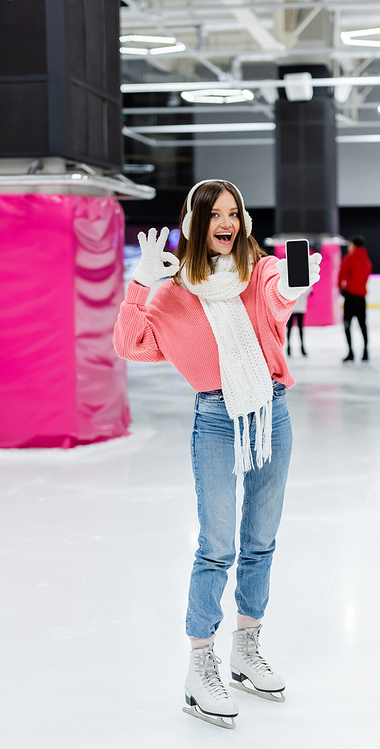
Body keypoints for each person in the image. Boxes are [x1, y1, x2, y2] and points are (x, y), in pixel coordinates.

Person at [113, 180, 321, 730]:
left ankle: (245, 650)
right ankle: (199, 663)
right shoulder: (173, 292)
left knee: (261, 540)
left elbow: (277, 291)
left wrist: (295, 286)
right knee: (217, 546)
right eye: (215, 214)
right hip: (216, 419)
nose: (227, 222)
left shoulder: (259, 272)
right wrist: (140, 283)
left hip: (270, 412)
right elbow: (130, 344)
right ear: (196, 223)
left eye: (234, 213)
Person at [338, 235, 372, 363]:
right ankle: (365, 352)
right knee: (362, 325)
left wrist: (341, 288)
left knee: (347, 325)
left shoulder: (349, 258)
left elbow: (342, 274)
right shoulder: (367, 260)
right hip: (361, 298)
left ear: (353, 245)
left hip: (351, 297)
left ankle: (350, 352)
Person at [286, 287, 311, 356]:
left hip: (293, 306)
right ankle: (301, 347)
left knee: (290, 328)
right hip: (298, 306)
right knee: (299, 328)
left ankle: (289, 347)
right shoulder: (304, 278)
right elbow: (309, 291)